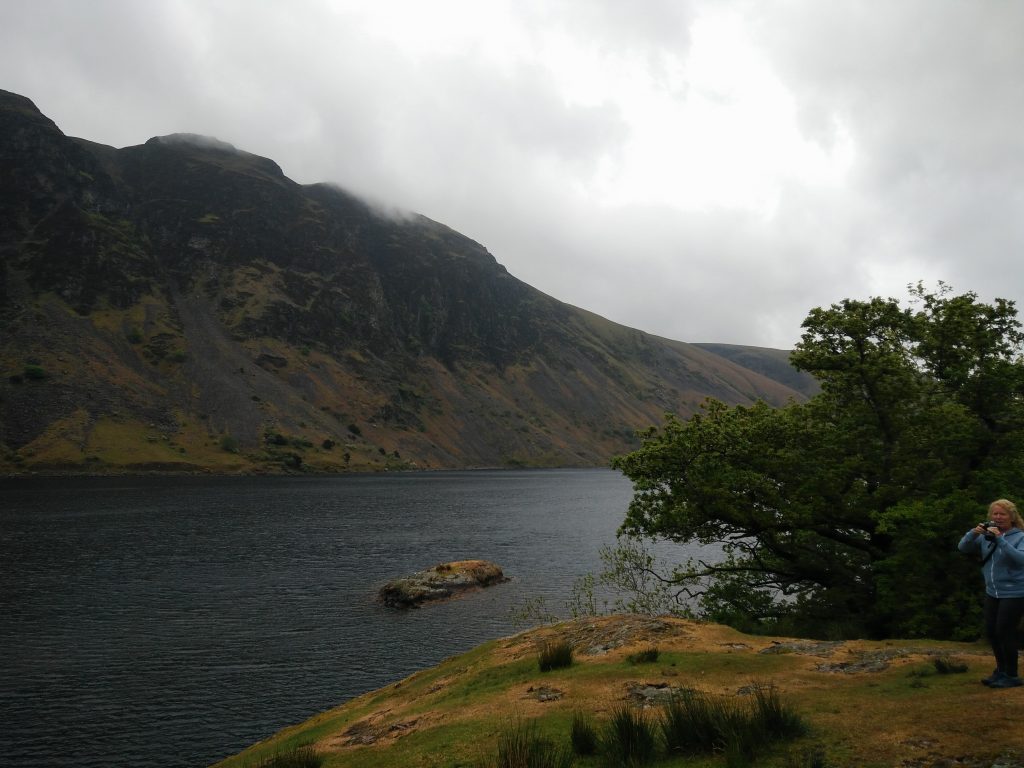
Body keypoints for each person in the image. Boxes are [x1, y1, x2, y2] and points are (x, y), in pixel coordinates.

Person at [958, 499, 1024, 688]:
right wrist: (973, 533)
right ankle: (1001, 670)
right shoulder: (986, 535)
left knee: (1005, 631)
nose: (998, 517)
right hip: (992, 591)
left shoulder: (1020, 536)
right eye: (995, 514)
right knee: (992, 632)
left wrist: (1000, 540)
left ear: (1012, 517)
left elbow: (1021, 559)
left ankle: (1011, 675)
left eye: (1002, 514)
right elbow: (962, 547)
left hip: (1015, 591)